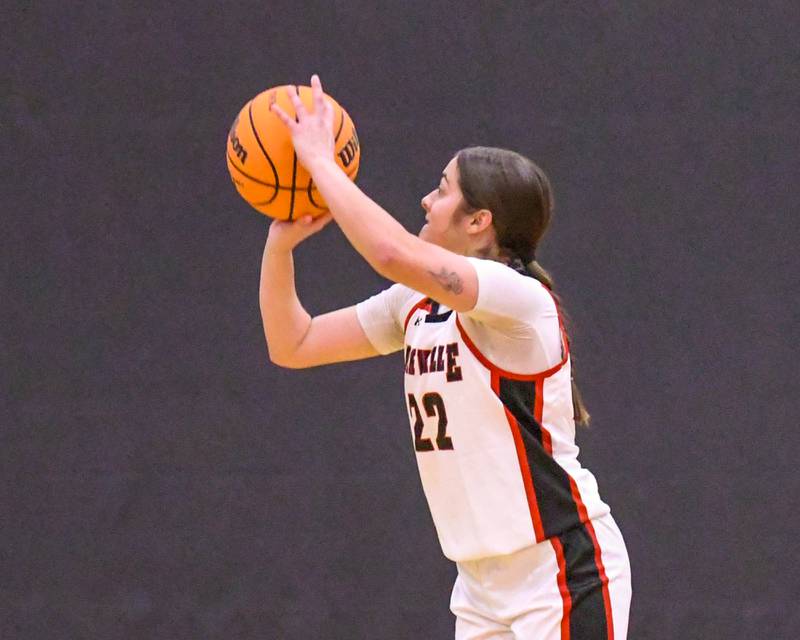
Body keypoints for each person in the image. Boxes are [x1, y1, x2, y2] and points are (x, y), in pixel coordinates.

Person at [262, 74, 631, 639]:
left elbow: (389, 252)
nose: (426, 201)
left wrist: (321, 163)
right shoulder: (416, 304)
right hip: (480, 585)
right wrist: (279, 245)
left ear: (480, 221)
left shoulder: (519, 300)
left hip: (559, 570)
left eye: (442, 190)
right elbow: (294, 343)